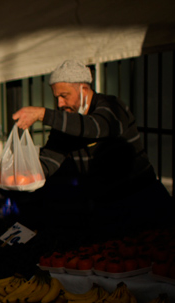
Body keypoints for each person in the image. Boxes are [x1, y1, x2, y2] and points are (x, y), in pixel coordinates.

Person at [12, 58, 172, 232]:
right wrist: (22, 169)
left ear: (84, 89)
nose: (59, 104)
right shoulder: (65, 121)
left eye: (64, 96)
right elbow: (51, 159)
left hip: (142, 198)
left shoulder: (112, 107)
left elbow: (95, 127)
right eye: (56, 97)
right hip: (106, 207)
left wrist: (43, 114)